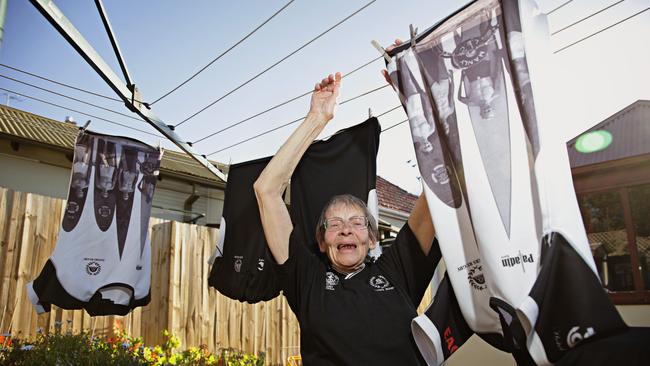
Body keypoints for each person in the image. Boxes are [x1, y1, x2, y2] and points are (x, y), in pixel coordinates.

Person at [254, 71, 438, 365]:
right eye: (334, 224)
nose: (345, 230)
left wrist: (415, 100)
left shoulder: (398, 271)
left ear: (372, 238)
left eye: (357, 222)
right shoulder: (307, 280)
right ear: (322, 241)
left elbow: (438, 179)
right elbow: (266, 190)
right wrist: (316, 118)